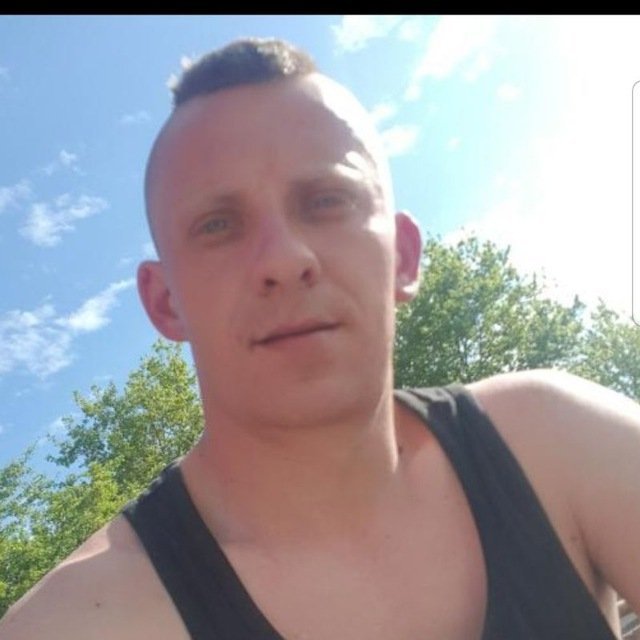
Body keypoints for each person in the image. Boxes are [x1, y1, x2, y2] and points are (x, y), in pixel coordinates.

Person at [1, 37, 638, 640]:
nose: (284, 259)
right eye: (218, 225)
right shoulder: (79, 621)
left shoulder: (553, 441)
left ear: (403, 256)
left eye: (327, 200)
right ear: (165, 303)